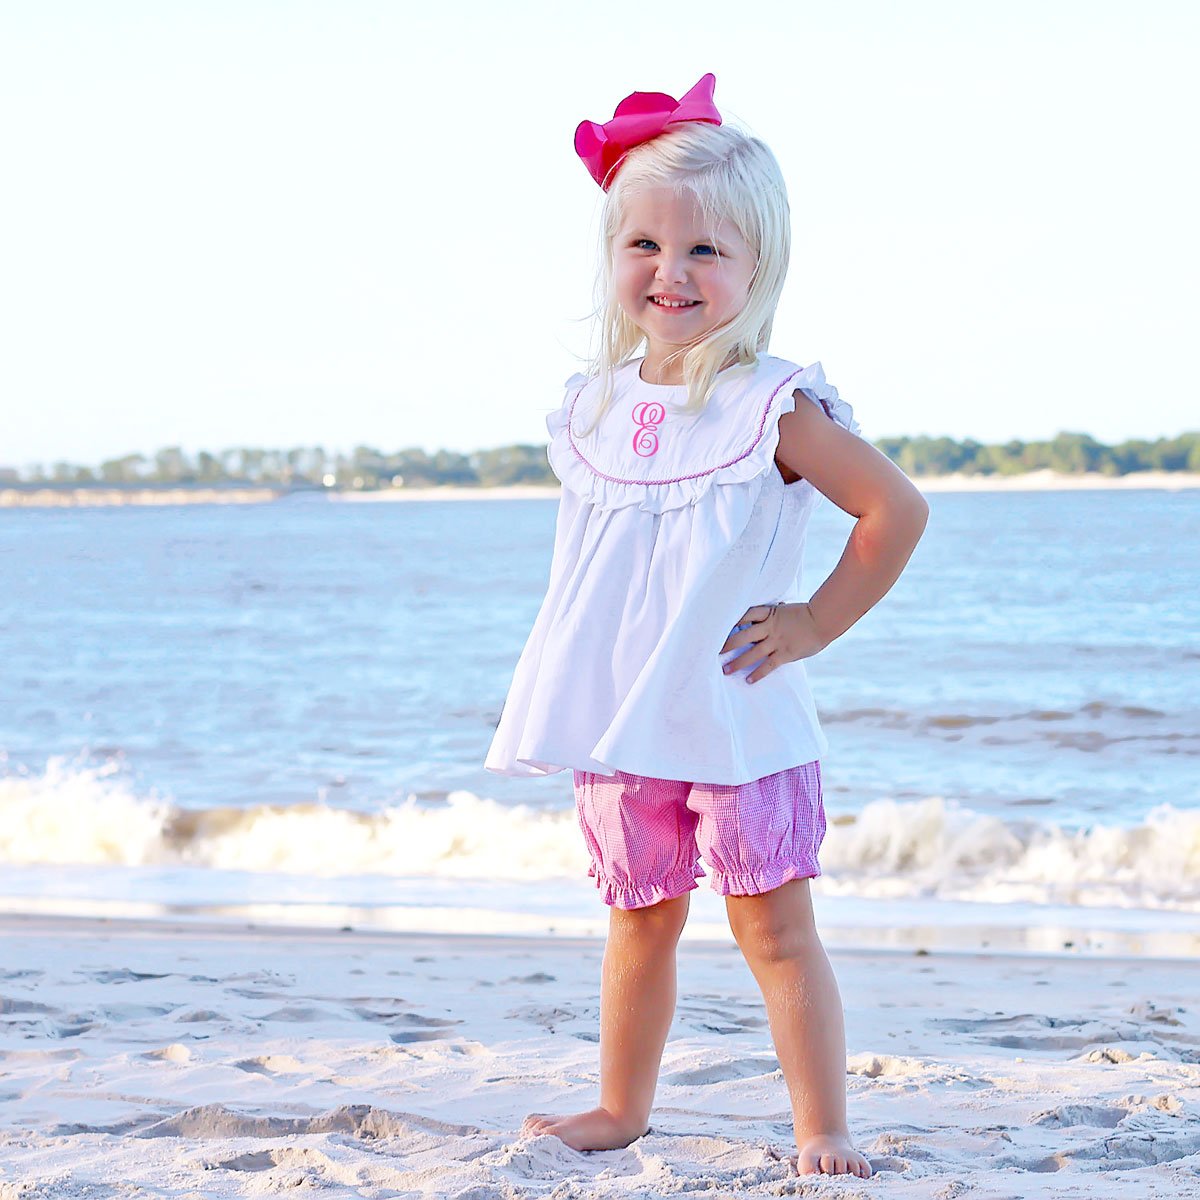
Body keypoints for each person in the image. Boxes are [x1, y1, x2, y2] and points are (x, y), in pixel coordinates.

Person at [484, 72, 928, 1179]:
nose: (670, 272)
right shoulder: (594, 406)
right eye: (644, 244)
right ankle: (620, 1107)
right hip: (626, 719)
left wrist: (816, 622)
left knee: (774, 930)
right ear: (612, 252)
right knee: (639, 921)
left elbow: (894, 509)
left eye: (704, 251)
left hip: (735, 717)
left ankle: (822, 1125)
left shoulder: (771, 406)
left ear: (757, 266)